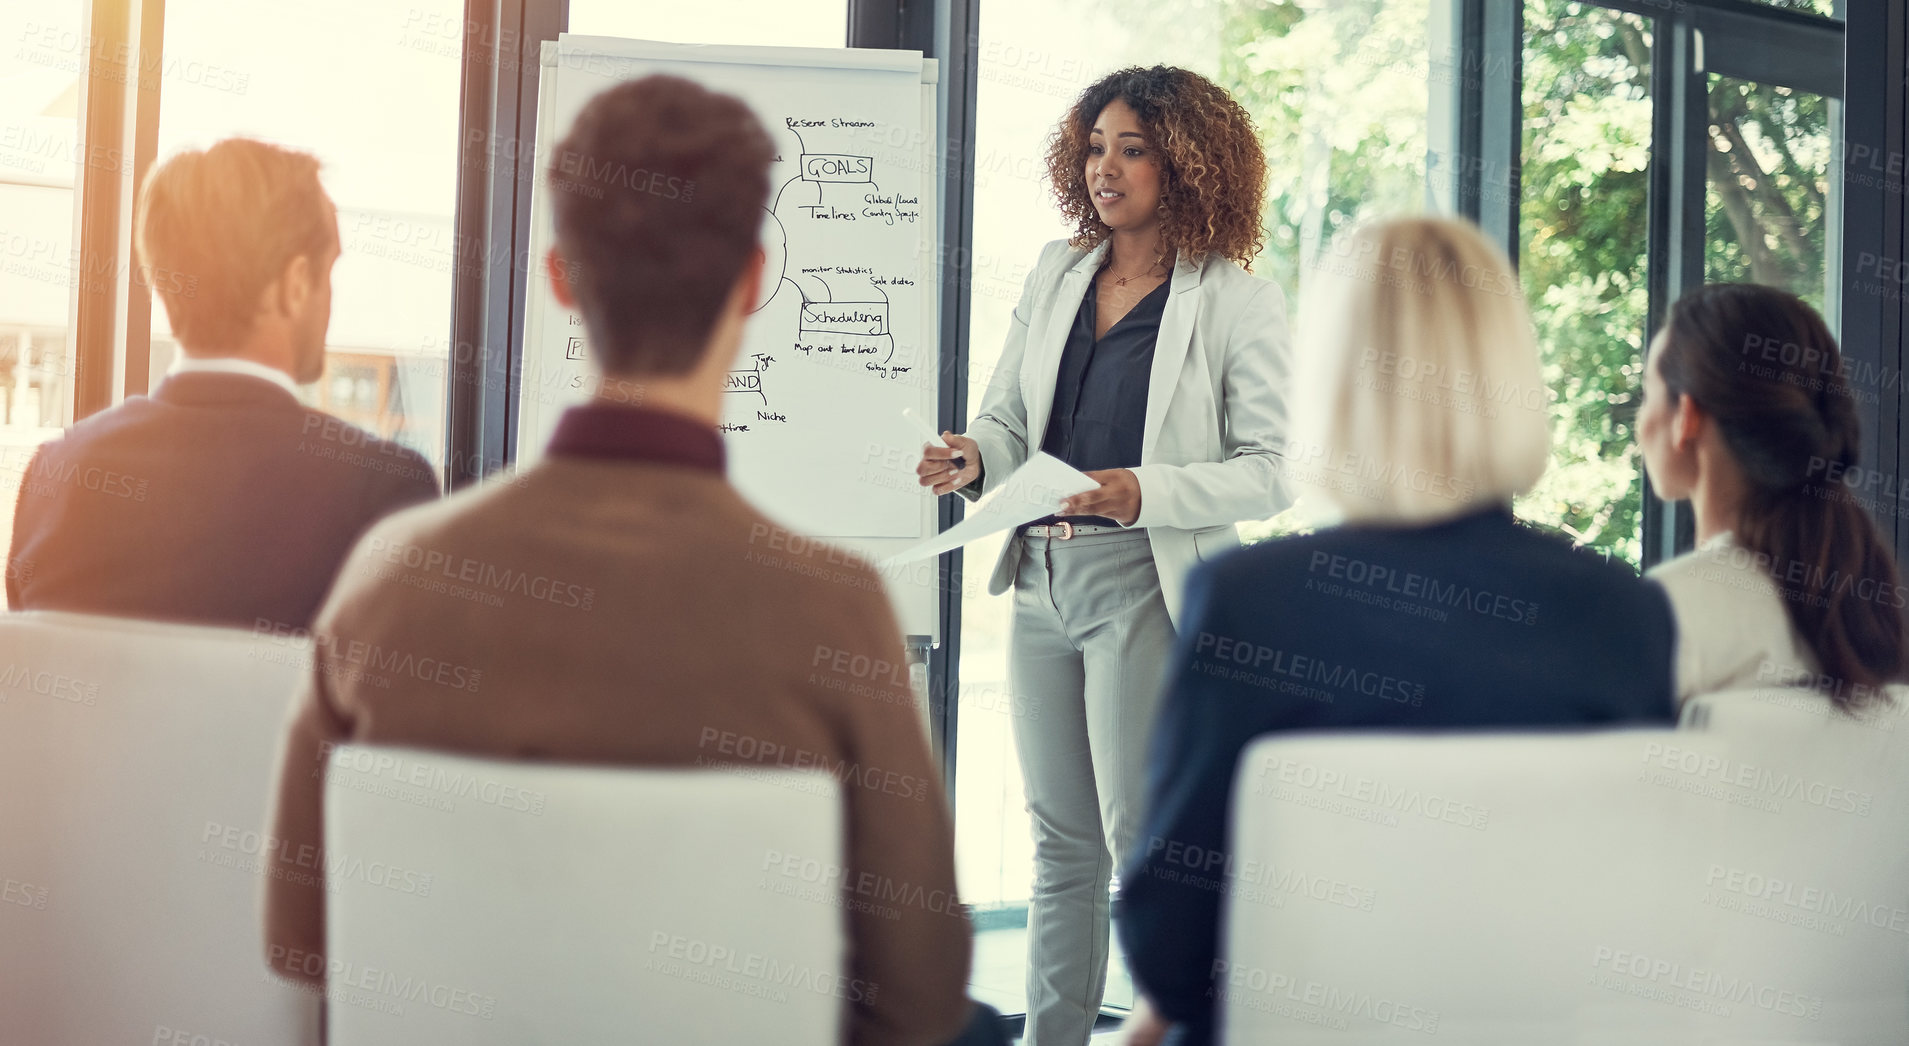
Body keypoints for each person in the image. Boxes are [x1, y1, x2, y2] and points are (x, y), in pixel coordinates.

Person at [262, 76, 983, 1046]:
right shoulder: (834, 611)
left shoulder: (391, 580)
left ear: (560, 277)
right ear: (749, 280)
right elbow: (920, 992)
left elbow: (302, 936)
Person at [1114, 217, 1678, 1046]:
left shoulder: (1249, 601)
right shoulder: (1624, 616)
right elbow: (1641, 917)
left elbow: (1172, 949)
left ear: (1334, 382)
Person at [915, 65, 1292, 1046]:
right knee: (1059, 844)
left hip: (1141, 585)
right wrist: (969, 456)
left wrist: (1142, 488)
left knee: (1138, 840)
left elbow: (1269, 471)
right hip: (1038, 575)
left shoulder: (1235, 303)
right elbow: (1004, 416)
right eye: (1094, 146)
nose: (1104, 168)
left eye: (1131, 148)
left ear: (1187, 164)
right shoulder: (1056, 271)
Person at [5, 138, 437, 629]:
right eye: (328, 271)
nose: (330, 299)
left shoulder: (55, 478)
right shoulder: (384, 493)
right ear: (295, 285)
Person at [1640, 283, 1907, 711]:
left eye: (1645, 395)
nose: (1640, 421)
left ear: (1685, 418)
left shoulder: (1668, 614)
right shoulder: (1869, 609)